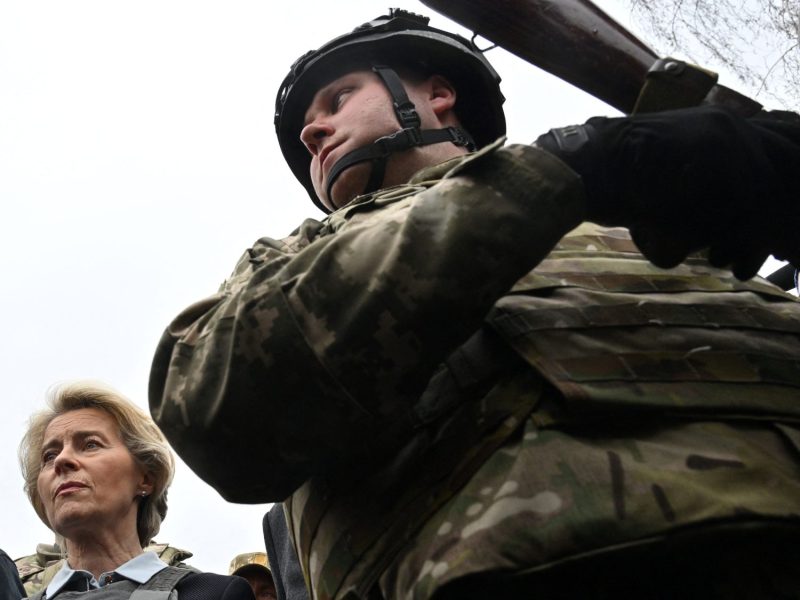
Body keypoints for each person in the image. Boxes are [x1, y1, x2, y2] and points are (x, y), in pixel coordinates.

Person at [149, 9, 800, 599]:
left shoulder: (646, 201)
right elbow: (219, 417)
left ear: (437, 94)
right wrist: (560, 172)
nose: (312, 132)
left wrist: (762, 166)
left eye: (338, 97)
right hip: (522, 563)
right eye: (302, 134)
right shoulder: (285, 262)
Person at [19, 381, 255, 600]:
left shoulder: (212, 594)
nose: (62, 460)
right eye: (49, 456)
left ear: (146, 478)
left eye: (91, 444)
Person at [14, 541, 194, 598]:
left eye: (91, 449)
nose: (62, 462)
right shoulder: (14, 570)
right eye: (49, 458)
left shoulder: (191, 584)